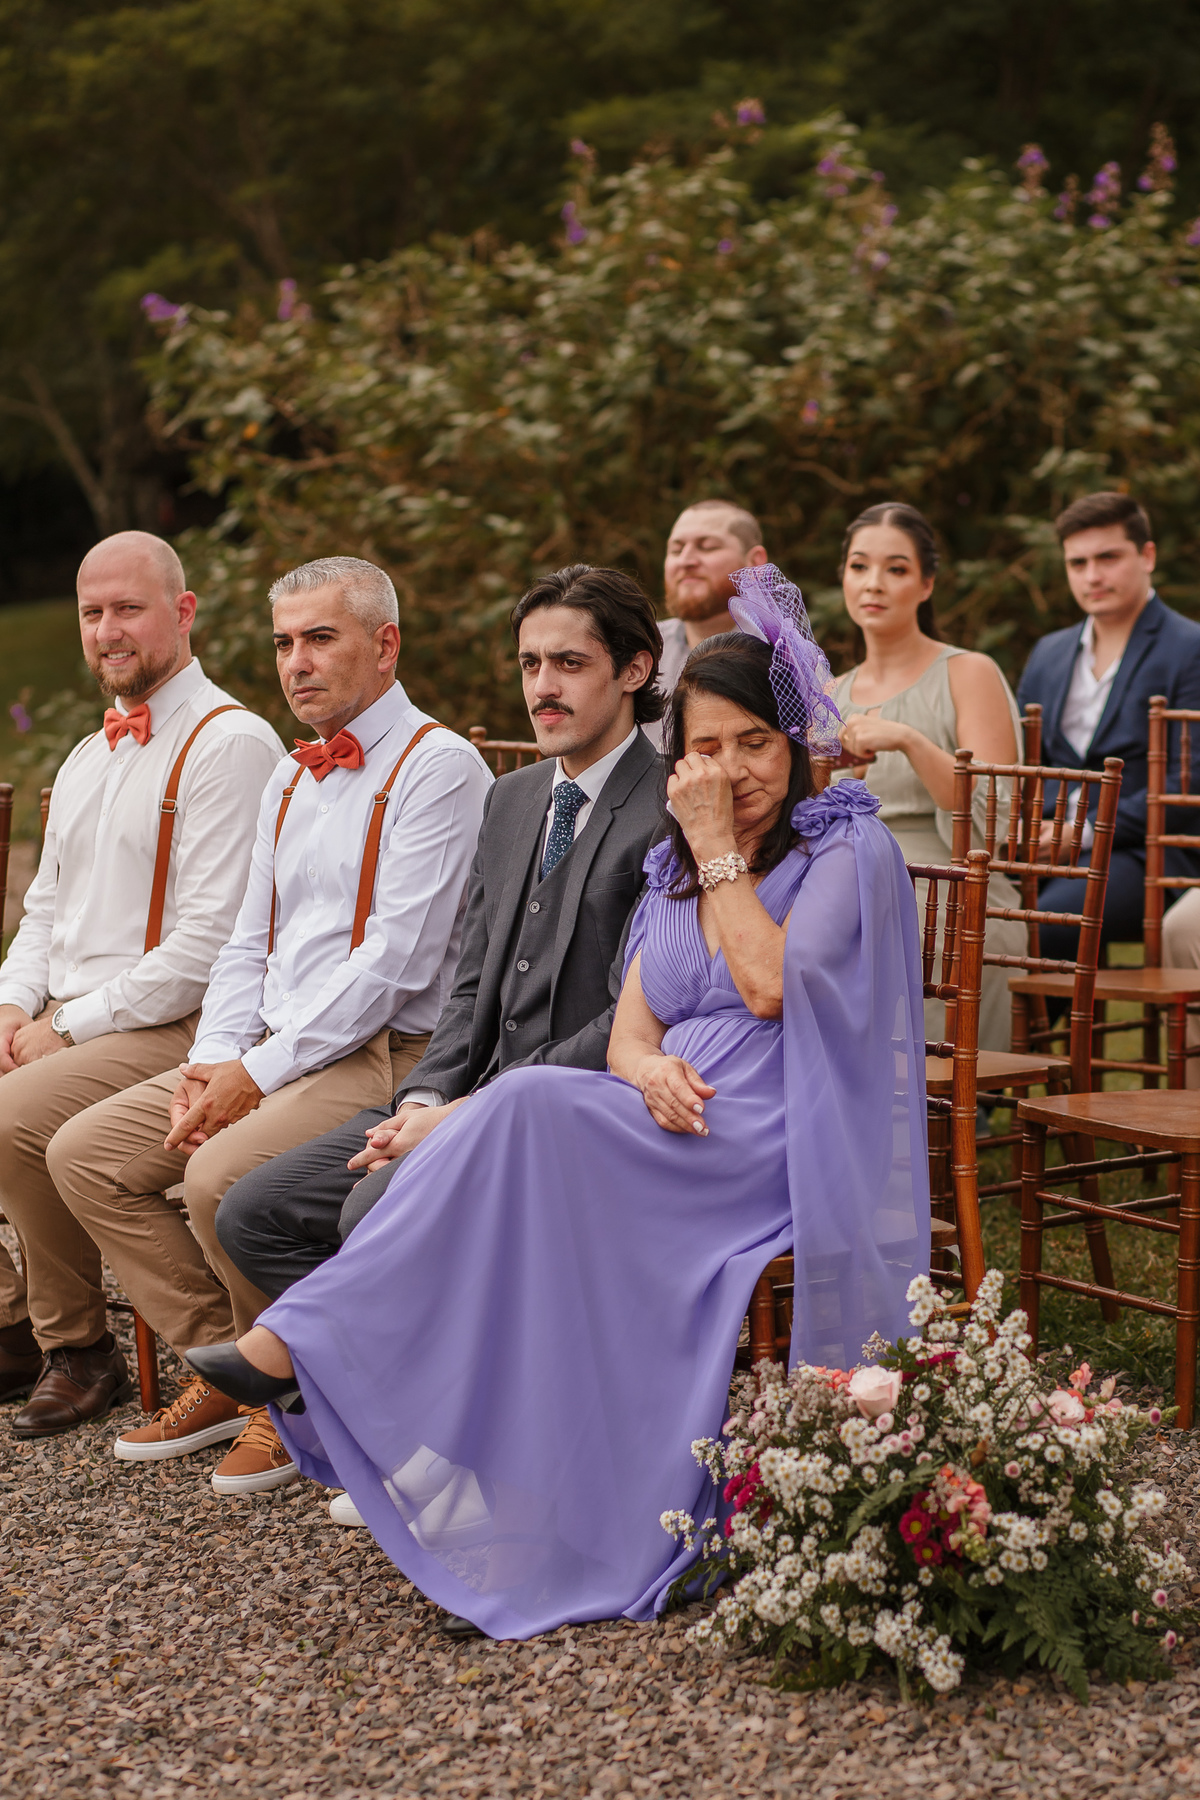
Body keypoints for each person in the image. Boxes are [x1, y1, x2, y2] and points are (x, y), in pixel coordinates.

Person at [184, 565, 930, 1644]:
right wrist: (646, 1068)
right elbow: (632, 1029)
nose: (727, 770)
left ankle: (327, 1350)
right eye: (705, 750)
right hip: (670, 1110)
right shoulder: (681, 867)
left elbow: (773, 986)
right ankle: (368, 1374)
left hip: (777, 1126)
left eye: (753, 745)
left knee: (527, 1105)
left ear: (798, 744)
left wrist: (717, 846)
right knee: (523, 1114)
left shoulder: (843, 847)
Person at [212, 564, 667, 1527]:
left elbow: (636, 1015)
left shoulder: (665, 808)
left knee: (378, 1201)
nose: (543, 686)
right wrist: (424, 1100)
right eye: (530, 663)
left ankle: (440, 1440)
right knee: (254, 1209)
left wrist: (467, 1114)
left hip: (585, 1107)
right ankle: (387, 1412)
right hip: (466, 1096)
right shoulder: (511, 803)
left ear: (634, 670)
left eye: (571, 664)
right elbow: (468, 991)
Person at [46, 556, 491, 1494]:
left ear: (385, 644)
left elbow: (396, 965)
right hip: (269, 1050)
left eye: (320, 638)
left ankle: (291, 1401)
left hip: (384, 1051)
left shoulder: (438, 764)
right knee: (84, 1153)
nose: (297, 663)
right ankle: (236, 1362)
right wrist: (214, 1063)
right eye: (285, 642)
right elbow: (248, 945)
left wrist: (259, 1071)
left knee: (216, 1173)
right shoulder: (289, 777)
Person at [0, 531, 284, 1434]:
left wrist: (66, 1028)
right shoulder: (89, 756)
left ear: (183, 611)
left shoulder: (229, 741)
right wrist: (12, 1006)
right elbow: (42, 908)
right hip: (79, 1018)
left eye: (129, 608)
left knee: (13, 1113)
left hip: (182, 1022)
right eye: (93, 613)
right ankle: (19, 1328)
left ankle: (130, 1351)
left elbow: (207, 945)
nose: (108, 631)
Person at [830, 501, 1025, 1052]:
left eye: (896, 569)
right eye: (859, 566)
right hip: (847, 870)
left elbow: (996, 813)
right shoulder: (828, 695)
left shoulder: (969, 672)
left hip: (953, 879)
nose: (874, 584)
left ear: (927, 583)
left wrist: (911, 742)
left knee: (903, 924)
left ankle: (940, 1109)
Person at [1018, 491, 1200, 957]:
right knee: (970, 907)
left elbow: (1190, 783)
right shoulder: (1048, 653)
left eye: (1108, 558)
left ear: (1147, 555)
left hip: (1150, 854)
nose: (1092, 576)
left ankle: (1023, 1034)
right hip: (1043, 848)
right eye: (1077, 564)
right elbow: (1022, 764)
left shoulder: (1190, 649)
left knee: (1044, 925)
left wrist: (1081, 831)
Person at [650, 500, 768, 740]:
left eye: (707, 547)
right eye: (676, 549)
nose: (686, 560)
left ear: (755, 563)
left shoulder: (786, 659)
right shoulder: (641, 651)